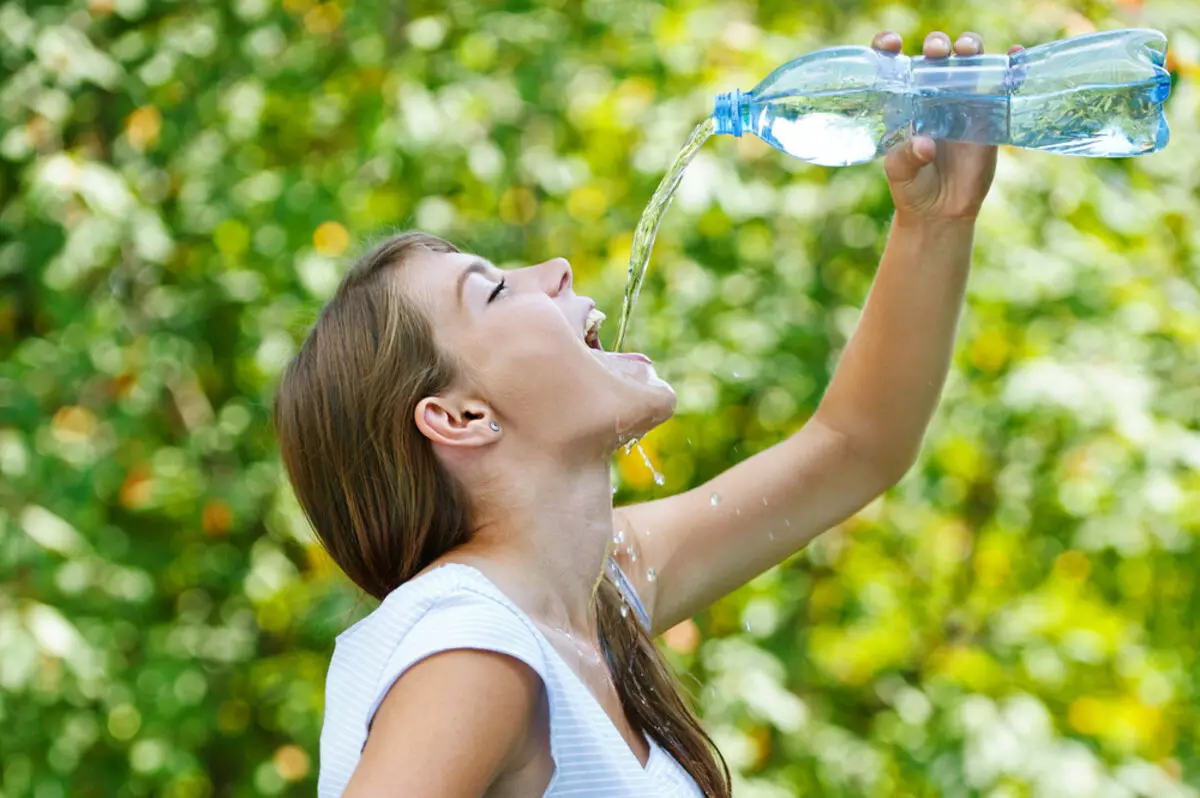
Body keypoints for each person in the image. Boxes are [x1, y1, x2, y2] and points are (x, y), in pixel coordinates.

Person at [274, 28, 1022, 798]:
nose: (556, 269)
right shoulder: (472, 650)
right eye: (494, 289)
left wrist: (935, 222)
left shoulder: (596, 594)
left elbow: (855, 447)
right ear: (460, 418)